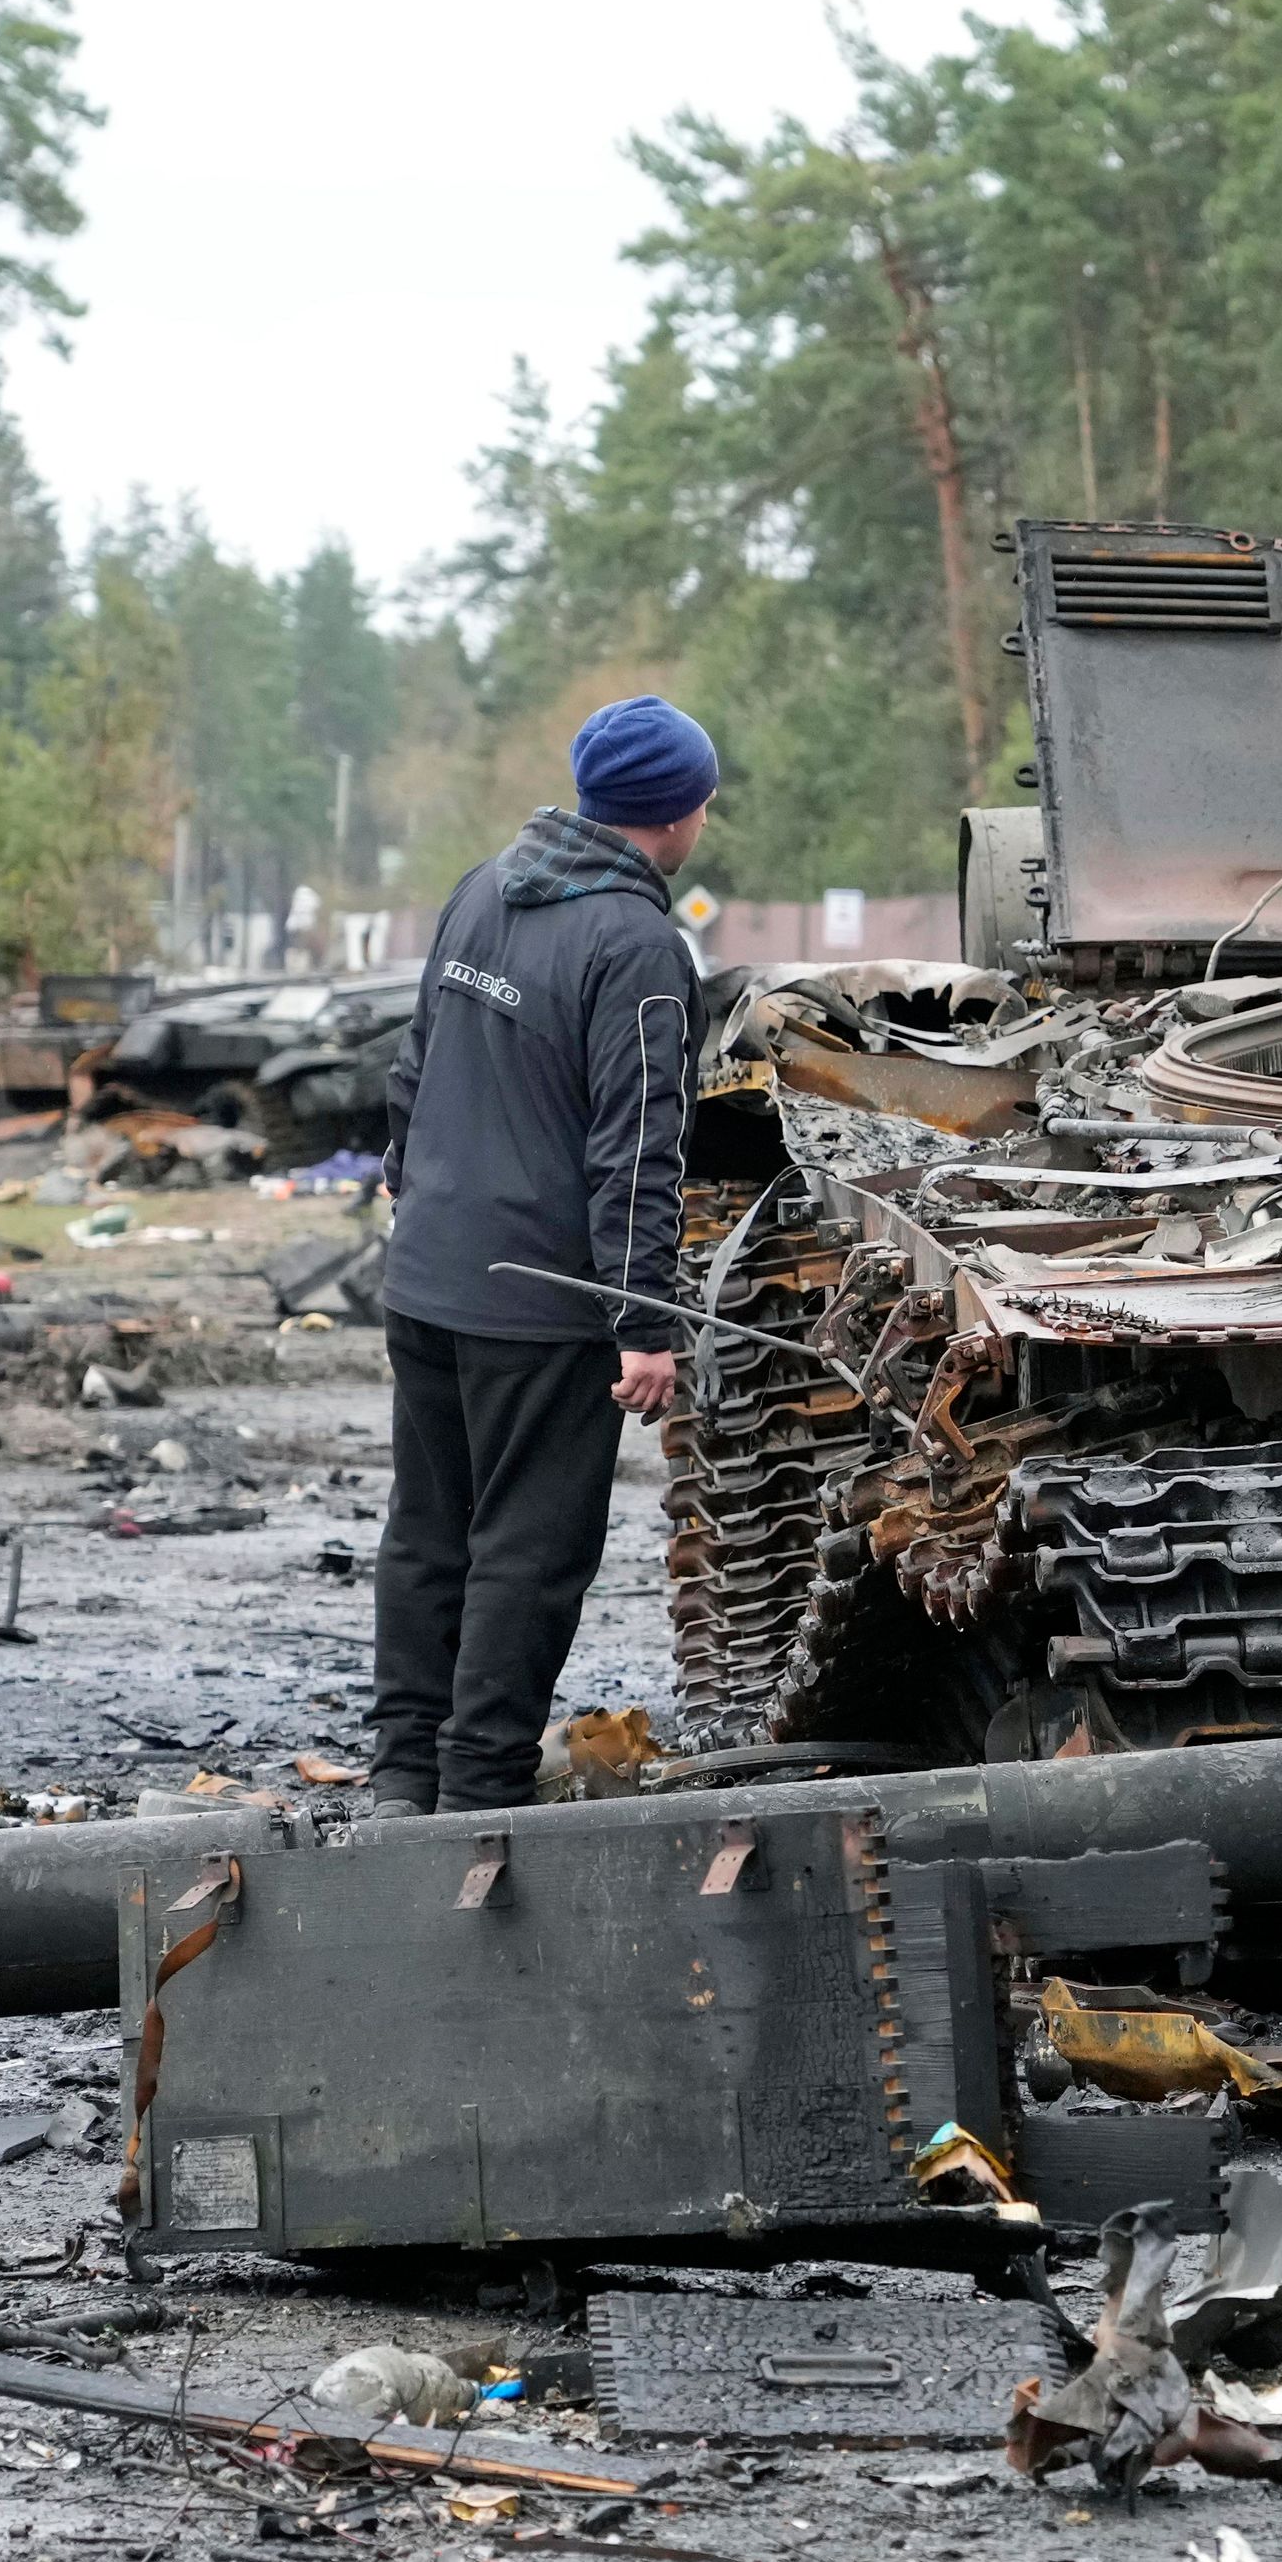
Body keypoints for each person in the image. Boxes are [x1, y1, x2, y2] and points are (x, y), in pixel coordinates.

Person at [369, 697, 715, 1815]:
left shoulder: (481, 887)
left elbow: (413, 1067)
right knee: (527, 1549)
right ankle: (475, 1797)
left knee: (429, 1531)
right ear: (682, 813)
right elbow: (638, 1148)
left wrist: (409, 1191)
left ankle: (401, 1778)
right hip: (539, 1309)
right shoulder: (639, 945)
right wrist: (645, 1322)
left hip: (426, 1281)